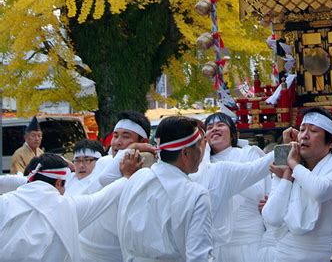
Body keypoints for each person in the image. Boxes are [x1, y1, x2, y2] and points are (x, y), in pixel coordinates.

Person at [0, 152, 138, 262]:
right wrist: (127, 176)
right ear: (59, 183)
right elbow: (105, 197)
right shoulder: (68, 208)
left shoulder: (5, 202)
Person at [262, 107, 332, 262]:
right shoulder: (294, 168)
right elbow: (272, 217)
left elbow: (320, 191)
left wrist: (293, 164)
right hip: (286, 254)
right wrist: (287, 174)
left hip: (327, 254)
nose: (304, 136)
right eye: (301, 130)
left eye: (313, 131)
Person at [118, 116, 214, 262]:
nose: (203, 151)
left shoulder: (137, 178)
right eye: (200, 145)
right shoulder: (195, 194)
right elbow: (199, 256)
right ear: (186, 153)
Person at [79, 110, 150, 262]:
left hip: (113, 254)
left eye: (126, 136)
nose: (117, 142)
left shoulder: (141, 171)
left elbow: (106, 179)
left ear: (143, 143)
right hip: (84, 248)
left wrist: (131, 149)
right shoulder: (103, 162)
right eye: (115, 135)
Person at [204, 112, 269, 262]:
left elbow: (263, 191)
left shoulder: (249, 154)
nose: (214, 129)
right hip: (216, 243)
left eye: (220, 125)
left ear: (233, 134)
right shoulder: (202, 164)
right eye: (209, 127)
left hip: (250, 238)